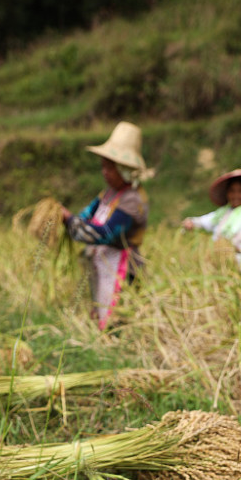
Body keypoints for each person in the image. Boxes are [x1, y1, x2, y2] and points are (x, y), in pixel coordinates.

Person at [62, 121, 149, 330]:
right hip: (102, 263)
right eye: (103, 166)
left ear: (125, 169)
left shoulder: (132, 200)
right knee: (100, 312)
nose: (105, 172)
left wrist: (70, 221)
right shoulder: (108, 194)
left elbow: (105, 234)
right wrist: (71, 218)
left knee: (119, 322)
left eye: (110, 167)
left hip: (122, 266)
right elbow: (85, 215)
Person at [181, 168, 241, 278]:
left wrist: (234, 249)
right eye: (232, 191)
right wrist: (191, 222)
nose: (236, 195)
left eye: (240, 191)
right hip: (219, 269)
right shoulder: (222, 214)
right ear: (227, 193)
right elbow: (203, 221)